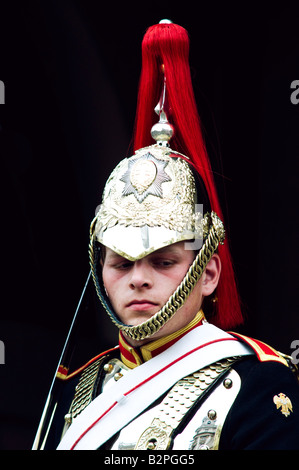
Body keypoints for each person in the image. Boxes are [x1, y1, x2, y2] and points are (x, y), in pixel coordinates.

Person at [34, 21, 299, 451]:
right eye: (121, 262)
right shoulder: (75, 387)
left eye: (163, 261)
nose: (138, 279)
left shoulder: (261, 387)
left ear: (209, 272)